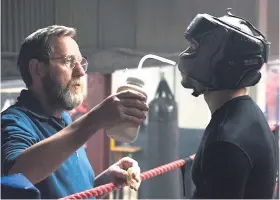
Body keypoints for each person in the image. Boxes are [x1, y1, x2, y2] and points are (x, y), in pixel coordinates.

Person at [1, 25, 148, 199]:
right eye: (69, 62)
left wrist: (104, 182)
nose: (80, 71)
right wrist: (95, 119)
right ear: (37, 69)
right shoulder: (13, 122)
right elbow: (17, 176)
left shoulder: (64, 120)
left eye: (81, 62)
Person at [178, 9, 277, 199]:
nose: (186, 56)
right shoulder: (247, 115)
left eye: (195, 49)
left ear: (221, 63)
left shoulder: (225, 141)